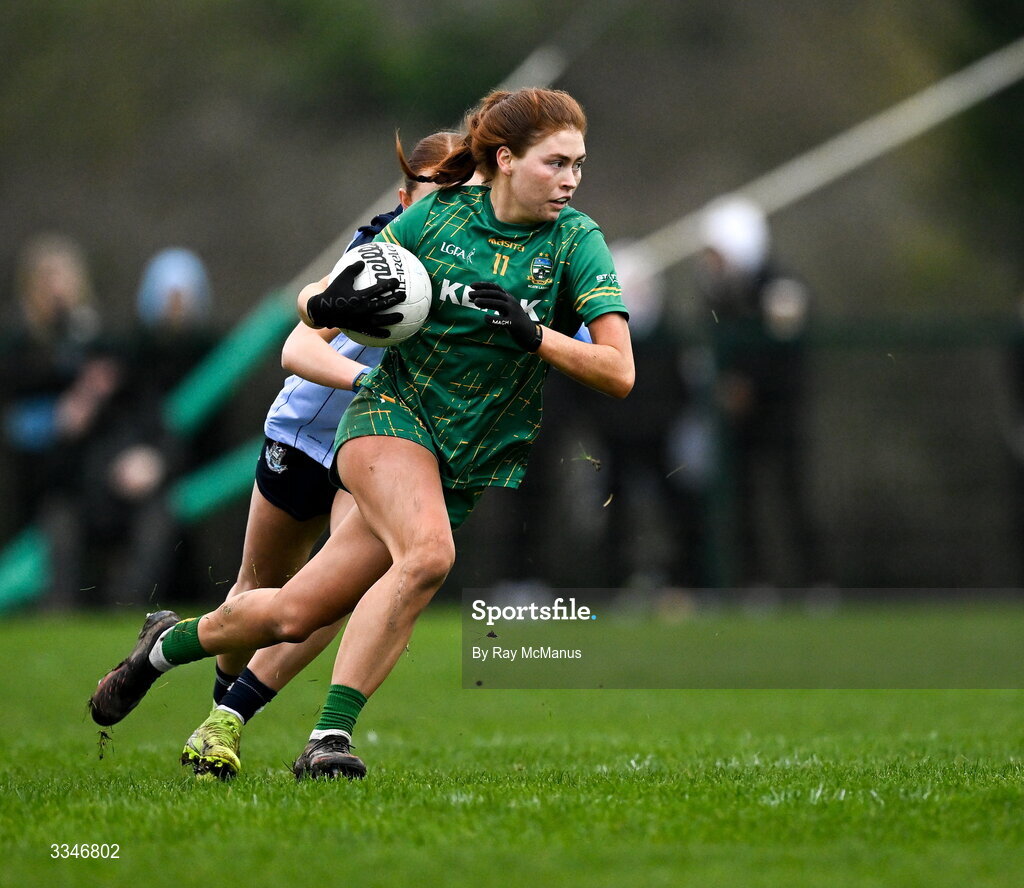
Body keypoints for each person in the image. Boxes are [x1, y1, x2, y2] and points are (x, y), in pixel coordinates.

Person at [89, 87, 634, 782]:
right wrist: (330, 303)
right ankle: (325, 739)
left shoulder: (577, 242)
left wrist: (539, 337)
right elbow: (311, 311)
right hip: (385, 420)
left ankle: (162, 649)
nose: (572, 180)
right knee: (429, 553)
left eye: (578, 165)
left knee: (294, 612)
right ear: (506, 159)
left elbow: (619, 372)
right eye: (557, 163)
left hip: (462, 454)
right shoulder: (434, 221)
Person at [177, 131, 468, 779]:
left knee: (336, 587)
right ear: (404, 198)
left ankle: (257, 727)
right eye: (433, 195)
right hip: (306, 436)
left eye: (461, 197)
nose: (445, 210)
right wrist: (362, 377)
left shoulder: (478, 262)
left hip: (379, 446)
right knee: (262, 594)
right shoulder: (376, 255)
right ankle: (210, 698)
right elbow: (298, 349)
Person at [695, 195, 824, 588]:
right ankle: (755, 582)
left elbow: (787, 354)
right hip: (737, 419)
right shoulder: (717, 293)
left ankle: (816, 582)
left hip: (780, 413)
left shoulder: (781, 287)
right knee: (741, 500)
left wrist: (749, 385)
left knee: (791, 496)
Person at [0, 232, 118, 606]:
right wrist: (56, 417)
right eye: (47, 280)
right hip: (38, 474)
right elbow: (15, 414)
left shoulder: (91, 335)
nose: (56, 291)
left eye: (63, 279)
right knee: (58, 528)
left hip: (92, 467)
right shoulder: (19, 343)